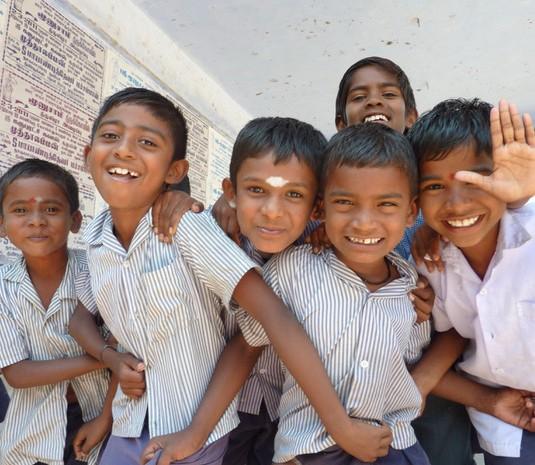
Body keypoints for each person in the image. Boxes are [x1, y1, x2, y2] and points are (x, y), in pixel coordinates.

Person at [71, 87, 392, 465]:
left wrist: (340, 427)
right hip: (222, 412)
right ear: (232, 191)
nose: (272, 212)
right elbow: (141, 339)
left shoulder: (325, 254)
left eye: (293, 195)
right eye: (255, 190)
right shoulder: (189, 231)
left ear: (316, 204)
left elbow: (268, 326)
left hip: (292, 418)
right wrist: (109, 395)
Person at [259, 122, 431, 464]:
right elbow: (249, 343)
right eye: (345, 202)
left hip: (392, 442)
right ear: (321, 208)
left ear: (411, 212)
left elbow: (409, 359)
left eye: (385, 205)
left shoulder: (412, 286)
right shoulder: (290, 271)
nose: (364, 223)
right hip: (311, 448)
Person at [410, 98, 535, 464]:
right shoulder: (430, 262)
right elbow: (456, 331)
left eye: (478, 179)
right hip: (505, 422)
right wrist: (422, 380)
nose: (458, 203)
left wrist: (525, 198)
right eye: (434, 187)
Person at [0, 159, 109, 465]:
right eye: (20, 210)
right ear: (2, 224)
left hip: (104, 418)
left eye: (51, 209)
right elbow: (17, 373)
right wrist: (104, 357)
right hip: (32, 431)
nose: (36, 221)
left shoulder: (98, 272)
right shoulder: (3, 288)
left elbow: (131, 353)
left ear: (75, 220)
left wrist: (107, 416)